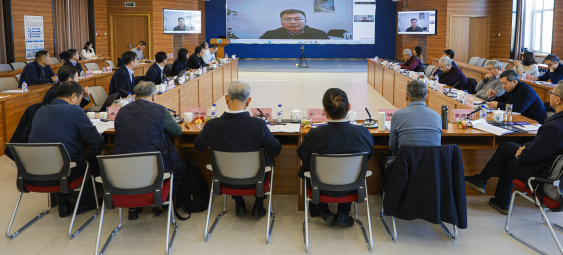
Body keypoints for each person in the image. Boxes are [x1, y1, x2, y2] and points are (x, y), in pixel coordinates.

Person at [464, 80, 563, 214]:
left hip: (547, 176)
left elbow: (529, 157)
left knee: (509, 163)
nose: (550, 95)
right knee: (506, 147)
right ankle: (482, 181)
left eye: (551, 93)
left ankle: (500, 200)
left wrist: (523, 152)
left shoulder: (554, 126)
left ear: (557, 100)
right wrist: (525, 148)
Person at [194, 81, 282, 218]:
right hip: (255, 179)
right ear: (248, 101)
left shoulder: (212, 125)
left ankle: (239, 203)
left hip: (225, 179)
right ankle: (259, 204)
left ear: (226, 98)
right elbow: (275, 150)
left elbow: (199, 146)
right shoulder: (258, 125)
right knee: (268, 159)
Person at [297, 88, 374, 227]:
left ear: (324, 111)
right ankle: (343, 213)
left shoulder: (315, 134)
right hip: (353, 186)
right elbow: (369, 155)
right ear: (349, 107)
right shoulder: (363, 133)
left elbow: (301, 154)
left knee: (307, 168)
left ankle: (324, 212)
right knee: (351, 169)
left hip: (320, 187)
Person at [28, 81, 104, 217]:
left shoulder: (40, 111)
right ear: (73, 96)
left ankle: (63, 205)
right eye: (80, 100)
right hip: (66, 172)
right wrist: (100, 153)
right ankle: (85, 202)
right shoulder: (75, 110)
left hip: (35, 171)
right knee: (96, 160)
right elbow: (95, 140)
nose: (79, 104)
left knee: (57, 160)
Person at [113, 81, 185, 220]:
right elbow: (177, 132)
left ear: (135, 96)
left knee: (134, 168)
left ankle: (133, 208)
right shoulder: (160, 110)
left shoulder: (121, 111)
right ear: (153, 96)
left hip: (124, 169)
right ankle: (161, 203)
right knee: (181, 170)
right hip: (154, 169)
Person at [385, 80, 442, 162]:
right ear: (426, 97)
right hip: (432, 165)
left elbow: (393, 147)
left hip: (405, 165)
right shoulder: (437, 116)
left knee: (383, 161)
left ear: (406, 96)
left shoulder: (397, 115)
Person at [260, 9, 330, 40]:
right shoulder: (270, 35)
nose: (292, 22)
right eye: (287, 19)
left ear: (305, 21)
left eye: (297, 19)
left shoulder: (320, 34)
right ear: (281, 21)